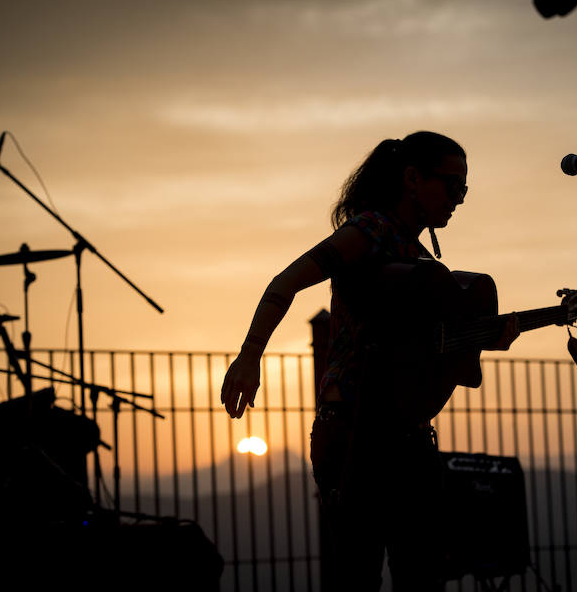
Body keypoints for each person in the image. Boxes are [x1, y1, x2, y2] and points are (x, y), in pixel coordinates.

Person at [221, 131, 519, 590]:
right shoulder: (368, 232)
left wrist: (488, 338)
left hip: (407, 436)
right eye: (452, 185)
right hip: (356, 430)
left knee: (419, 576)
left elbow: (428, 351)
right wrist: (249, 355)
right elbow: (284, 281)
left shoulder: (419, 258)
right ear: (412, 178)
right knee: (359, 576)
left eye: (465, 189)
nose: (458, 199)